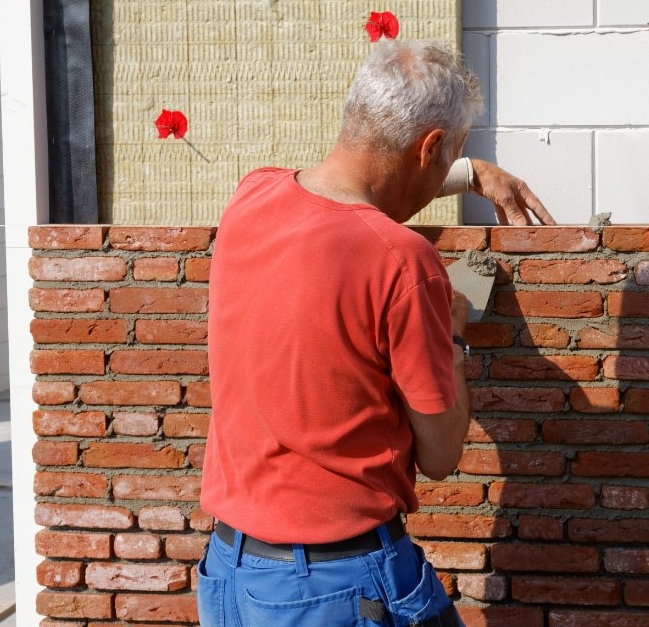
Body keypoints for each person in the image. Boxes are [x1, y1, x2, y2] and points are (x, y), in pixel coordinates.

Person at [196, 40, 550, 627]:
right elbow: (440, 456)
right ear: (429, 146)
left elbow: (357, 183)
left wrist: (467, 173)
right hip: (337, 587)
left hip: (233, 576)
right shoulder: (404, 264)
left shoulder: (252, 197)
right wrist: (453, 339)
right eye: (447, 154)